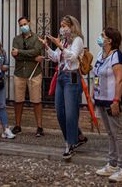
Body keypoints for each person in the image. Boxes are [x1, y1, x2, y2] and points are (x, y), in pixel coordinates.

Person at [39, 15, 85, 159]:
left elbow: (72, 57)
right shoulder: (64, 42)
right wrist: (47, 46)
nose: (62, 28)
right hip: (60, 77)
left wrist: (59, 45)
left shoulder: (77, 40)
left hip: (71, 77)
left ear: (72, 27)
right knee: (60, 112)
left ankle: (70, 143)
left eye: (65, 25)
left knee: (71, 113)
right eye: (61, 25)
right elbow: (56, 58)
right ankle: (76, 136)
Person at [93, 27, 122, 182]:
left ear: (109, 40)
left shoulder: (116, 56)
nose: (100, 38)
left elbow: (120, 79)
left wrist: (116, 100)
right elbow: (96, 74)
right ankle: (112, 164)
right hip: (101, 99)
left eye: (103, 35)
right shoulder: (100, 55)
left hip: (111, 100)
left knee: (119, 134)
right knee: (110, 133)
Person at [11, 16, 44, 137]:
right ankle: (18, 125)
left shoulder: (37, 38)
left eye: (25, 24)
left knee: (36, 101)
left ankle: (39, 127)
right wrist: (31, 57)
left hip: (34, 73)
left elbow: (36, 51)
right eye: (21, 25)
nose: (23, 26)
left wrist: (20, 52)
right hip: (19, 73)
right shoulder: (16, 39)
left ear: (29, 23)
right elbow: (15, 55)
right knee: (18, 101)